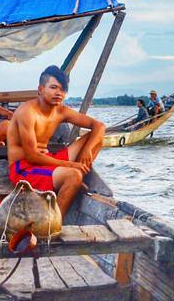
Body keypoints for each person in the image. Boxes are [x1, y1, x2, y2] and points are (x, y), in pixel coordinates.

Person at [7, 65, 106, 218]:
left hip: (47, 161)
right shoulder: (27, 112)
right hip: (24, 168)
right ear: (40, 89)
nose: (59, 93)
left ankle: (75, 178)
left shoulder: (61, 111)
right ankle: (54, 225)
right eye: (53, 87)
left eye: (62, 90)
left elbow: (99, 126)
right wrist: (72, 166)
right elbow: (32, 156)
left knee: (95, 139)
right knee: (73, 175)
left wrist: (86, 150)